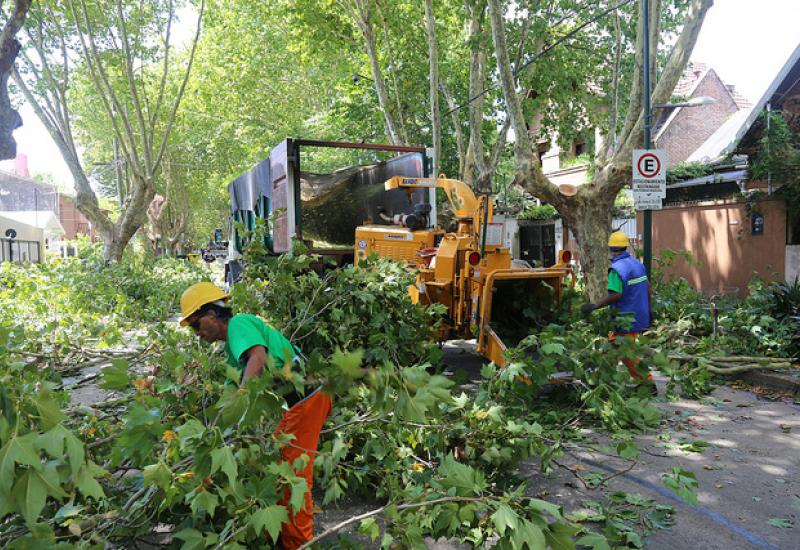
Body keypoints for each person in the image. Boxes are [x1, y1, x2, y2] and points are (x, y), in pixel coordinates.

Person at [179, 282, 332, 549]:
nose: (196, 333)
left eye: (195, 323)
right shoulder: (232, 350)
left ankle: (298, 544)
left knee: (291, 477)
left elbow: (258, 358)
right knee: (276, 460)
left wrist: (242, 396)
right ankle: (274, 526)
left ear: (213, 313)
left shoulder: (238, 325)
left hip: (306, 401)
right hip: (304, 401)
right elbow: (230, 396)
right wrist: (213, 433)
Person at [580, 232, 655, 392]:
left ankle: (648, 383)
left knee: (625, 351)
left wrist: (594, 306)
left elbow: (616, 295)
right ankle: (600, 379)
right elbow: (648, 287)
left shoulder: (616, 269)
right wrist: (650, 309)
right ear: (625, 246)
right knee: (612, 348)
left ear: (610, 248)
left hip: (625, 317)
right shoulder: (637, 264)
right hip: (639, 314)